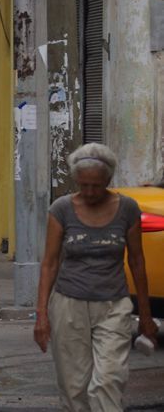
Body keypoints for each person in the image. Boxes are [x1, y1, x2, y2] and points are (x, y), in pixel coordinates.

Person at [34, 143, 157, 412]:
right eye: (84, 185)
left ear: (108, 181)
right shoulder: (61, 209)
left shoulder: (127, 209)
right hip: (68, 305)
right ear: (76, 181)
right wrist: (41, 314)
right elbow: (50, 263)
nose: (89, 192)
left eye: (96, 186)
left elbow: (137, 262)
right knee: (74, 387)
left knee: (108, 380)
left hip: (114, 305)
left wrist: (146, 316)